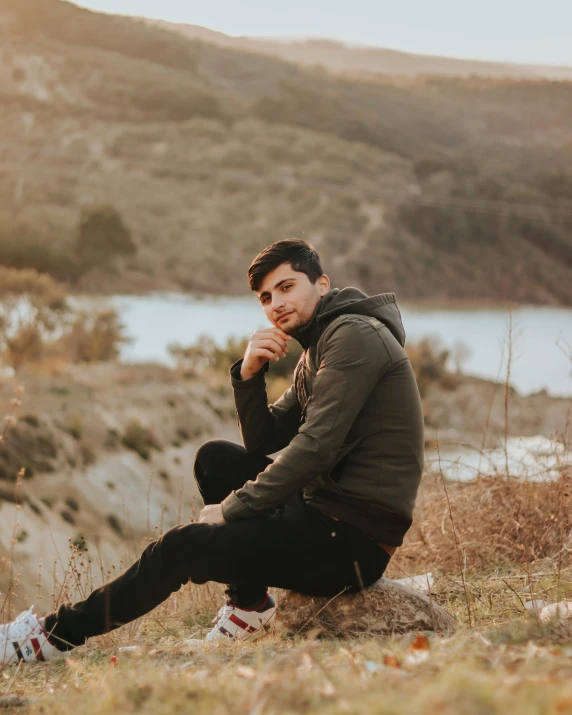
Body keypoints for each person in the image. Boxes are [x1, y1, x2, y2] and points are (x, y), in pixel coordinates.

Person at [0, 239, 424, 663]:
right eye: (266, 297)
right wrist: (248, 373)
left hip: (351, 542)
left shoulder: (354, 338)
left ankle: (49, 638)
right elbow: (264, 442)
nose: (276, 303)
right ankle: (249, 607)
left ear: (322, 283)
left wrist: (232, 509)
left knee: (180, 548)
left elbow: (314, 448)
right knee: (216, 459)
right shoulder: (318, 348)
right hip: (324, 513)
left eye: (287, 287)